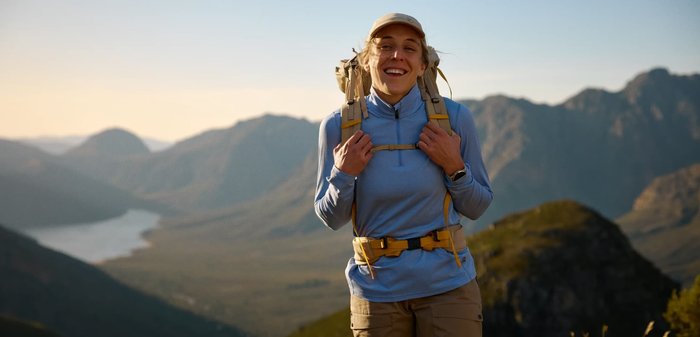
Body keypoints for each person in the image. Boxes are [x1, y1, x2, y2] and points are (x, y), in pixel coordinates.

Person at [314, 12, 493, 337]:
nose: (397, 56)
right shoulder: (338, 126)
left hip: (449, 286)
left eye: (410, 48)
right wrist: (343, 174)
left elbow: (477, 206)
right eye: (386, 47)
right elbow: (331, 217)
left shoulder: (454, 118)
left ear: (423, 64)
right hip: (375, 291)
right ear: (368, 60)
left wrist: (455, 167)